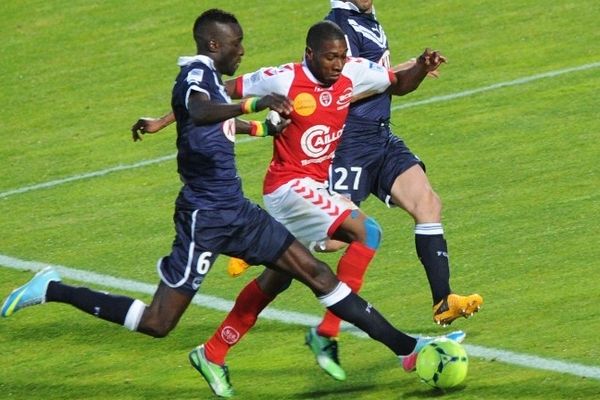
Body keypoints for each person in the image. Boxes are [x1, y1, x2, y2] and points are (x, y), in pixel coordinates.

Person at [3, 9, 460, 399]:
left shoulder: (225, 80)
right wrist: (255, 106)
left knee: (313, 275)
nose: (242, 50)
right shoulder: (198, 76)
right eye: (236, 44)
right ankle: (51, 288)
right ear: (215, 43)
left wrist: (260, 129)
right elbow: (198, 112)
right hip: (206, 217)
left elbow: (208, 123)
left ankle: (407, 349)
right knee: (159, 322)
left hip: (238, 210)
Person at [131, 0, 483, 384]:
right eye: (331, 57)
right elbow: (218, 90)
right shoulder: (283, 78)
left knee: (277, 278)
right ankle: (331, 332)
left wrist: (419, 66)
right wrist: (164, 120)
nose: (339, 64)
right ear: (310, 54)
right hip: (288, 187)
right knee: (367, 232)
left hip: (313, 186)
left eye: (343, 56)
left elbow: (397, 83)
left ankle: (214, 351)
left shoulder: (355, 72)